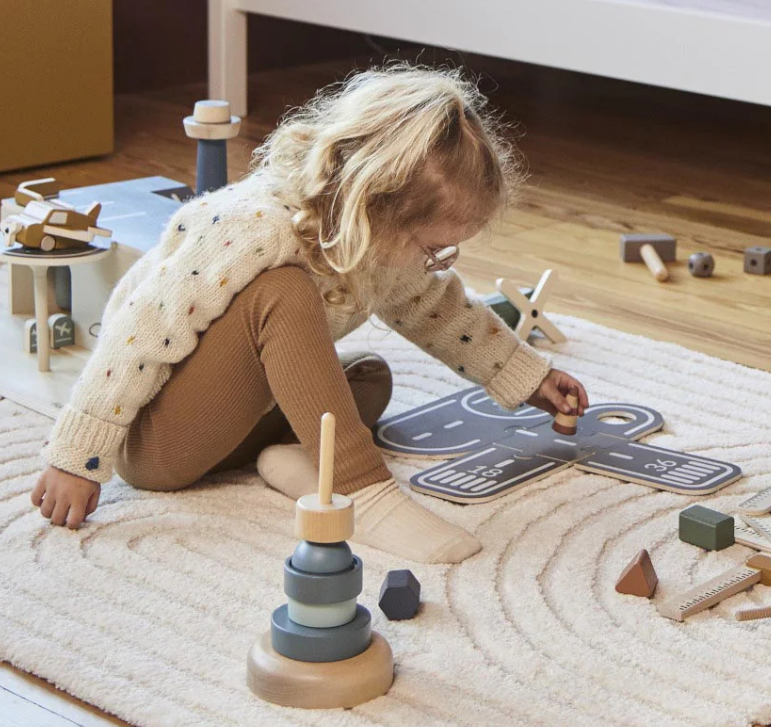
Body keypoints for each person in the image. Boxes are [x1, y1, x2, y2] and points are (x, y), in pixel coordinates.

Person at [31, 64, 588, 562]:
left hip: (237, 424)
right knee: (284, 294)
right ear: (375, 209)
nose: (436, 263)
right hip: (159, 441)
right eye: (430, 248)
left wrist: (525, 375)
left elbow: (434, 306)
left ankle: (296, 460)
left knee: (368, 377)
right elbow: (138, 336)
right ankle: (362, 488)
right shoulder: (250, 227)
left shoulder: (372, 236)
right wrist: (77, 455)